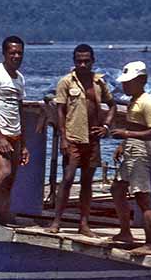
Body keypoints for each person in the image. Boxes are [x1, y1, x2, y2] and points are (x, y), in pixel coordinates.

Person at [47, 44, 120, 236]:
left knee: (87, 182)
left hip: (93, 139)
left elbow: (113, 106)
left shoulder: (99, 83)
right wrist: (63, 138)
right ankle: (56, 222)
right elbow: (60, 111)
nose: (82, 64)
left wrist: (105, 127)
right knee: (68, 179)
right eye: (79, 61)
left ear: (93, 61)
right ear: (74, 61)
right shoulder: (66, 82)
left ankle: (84, 224)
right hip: (73, 138)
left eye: (86, 61)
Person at [109, 61, 151, 255]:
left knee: (142, 198)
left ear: (142, 80)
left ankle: (150, 243)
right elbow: (134, 127)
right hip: (131, 150)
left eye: (129, 82)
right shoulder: (134, 101)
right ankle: (125, 231)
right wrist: (122, 145)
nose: (125, 86)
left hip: (140, 152)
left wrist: (127, 136)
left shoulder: (147, 103)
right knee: (117, 188)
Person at [0, 36, 29, 224]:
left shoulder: (20, 78)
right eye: (12, 53)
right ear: (4, 53)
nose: (16, 56)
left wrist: (24, 143)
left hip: (15, 133)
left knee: (11, 178)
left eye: (19, 53)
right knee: (3, 171)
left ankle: (2, 214)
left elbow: (19, 109)